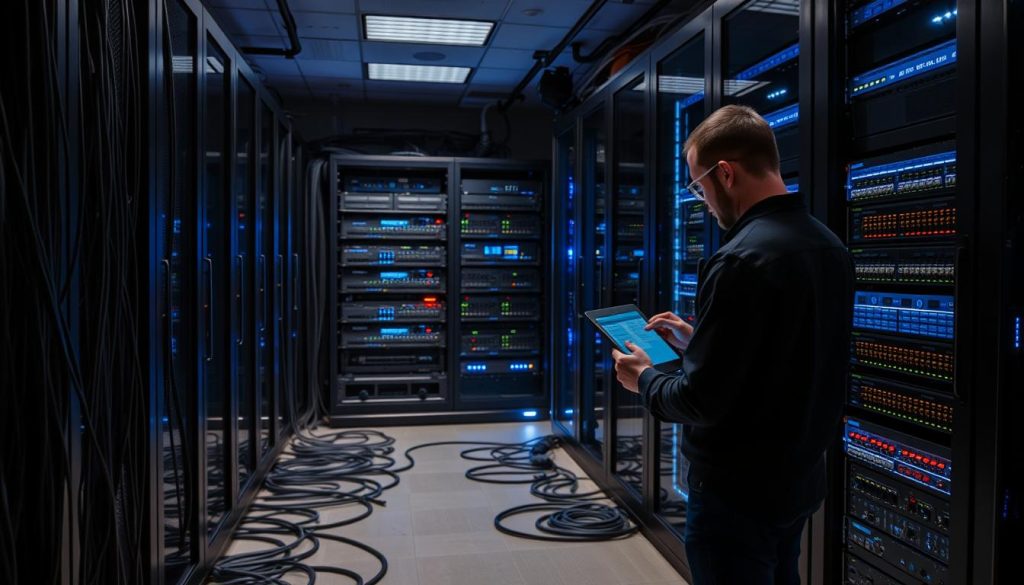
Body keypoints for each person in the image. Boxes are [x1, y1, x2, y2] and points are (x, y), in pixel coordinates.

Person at [611, 105, 854, 585]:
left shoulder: (739, 259)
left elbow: (699, 401)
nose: (702, 200)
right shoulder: (829, 246)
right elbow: (785, 357)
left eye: (699, 187)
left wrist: (645, 378)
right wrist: (697, 341)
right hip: (797, 483)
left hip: (735, 497)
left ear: (725, 173)